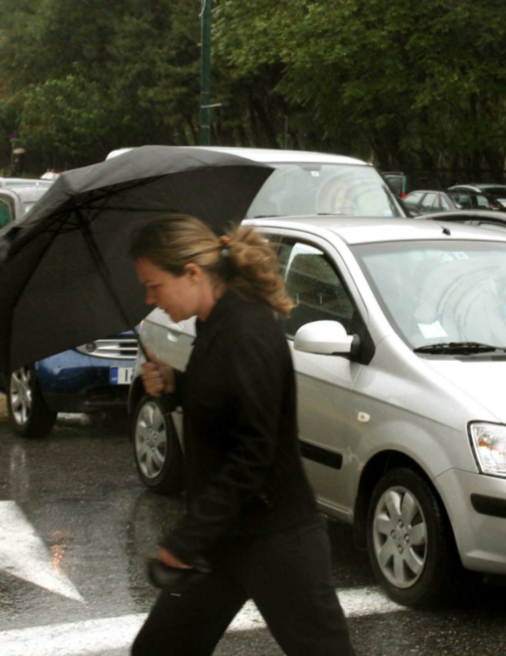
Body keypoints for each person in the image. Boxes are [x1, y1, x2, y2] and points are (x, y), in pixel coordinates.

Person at [129, 214, 356, 656]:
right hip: (224, 537)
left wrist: (188, 538)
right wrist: (176, 385)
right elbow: (225, 400)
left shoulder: (246, 332)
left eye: (154, 284)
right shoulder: (216, 324)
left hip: (275, 537)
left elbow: (255, 452)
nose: (150, 298)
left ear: (192, 273)